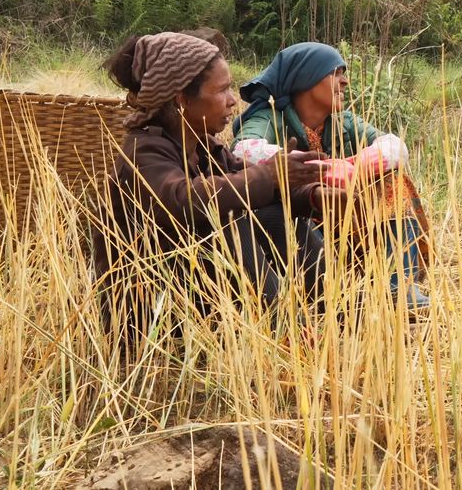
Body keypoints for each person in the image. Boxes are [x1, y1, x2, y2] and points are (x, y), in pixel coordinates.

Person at [93, 31, 330, 348]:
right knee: (232, 224)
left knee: (279, 216)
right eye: (221, 90)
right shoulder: (143, 152)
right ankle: (290, 337)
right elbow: (182, 200)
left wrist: (312, 194)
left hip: (192, 296)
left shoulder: (206, 148)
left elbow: (245, 181)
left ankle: (333, 316)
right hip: (148, 316)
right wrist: (270, 175)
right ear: (181, 100)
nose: (233, 99)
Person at [232, 41, 432, 311]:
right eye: (335, 73)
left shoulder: (344, 123)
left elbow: (395, 146)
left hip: (345, 225)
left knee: (391, 181)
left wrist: (359, 165)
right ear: (306, 78)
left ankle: (398, 286)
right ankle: (321, 288)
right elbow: (244, 150)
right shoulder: (270, 118)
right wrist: (323, 170)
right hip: (296, 230)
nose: (345, 82)